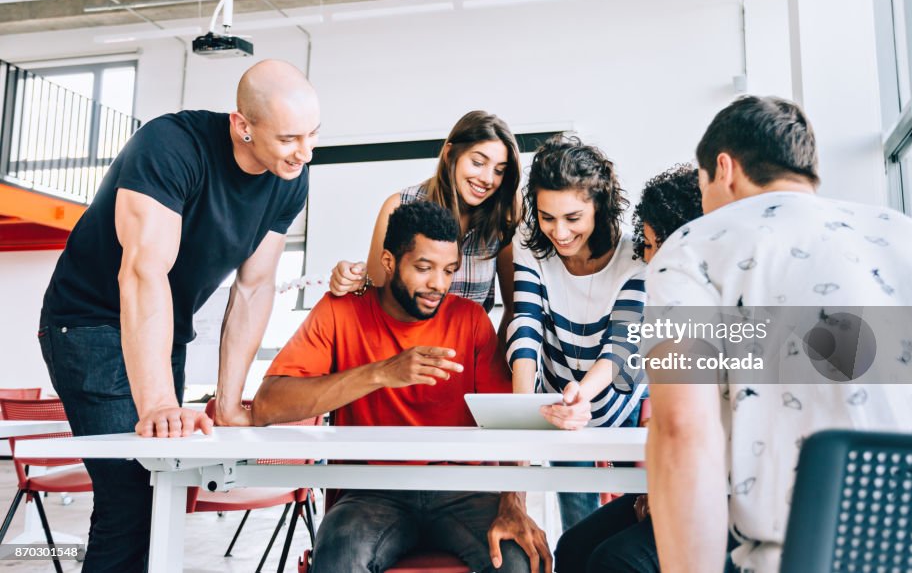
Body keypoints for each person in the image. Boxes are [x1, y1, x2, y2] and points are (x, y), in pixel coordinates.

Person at [644, 95, 912, 573]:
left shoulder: (689, 248)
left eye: (701, 187)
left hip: (827, 556)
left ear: (724, 169)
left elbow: (680, 428)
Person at [36, 59, 318, 572]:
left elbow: (254, 289)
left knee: (163, 491)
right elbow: (143, 272)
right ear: (243, 125)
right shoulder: (170, 146)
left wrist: (229, 402)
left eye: (313, 134)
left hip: (163, 334)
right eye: (289, 138)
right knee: (131, 496)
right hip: (88, 324)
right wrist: (160, 401)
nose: (305, 151)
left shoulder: (289, 179)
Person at [252, 200, 551, 573]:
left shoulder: (470, 319)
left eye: (449, 271)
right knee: (338, 560)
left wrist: (513, 502)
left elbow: (511, 425)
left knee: (521, 561)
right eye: (424, 268)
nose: (438, 284)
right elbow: (267, 405)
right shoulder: (340, 310)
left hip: (462, 487)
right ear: (390, 262)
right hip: (371, 491)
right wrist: (379, 373)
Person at [554, 164, 702, 573]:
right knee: (573, 546)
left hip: (719, 499)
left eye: (657, 245)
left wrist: (672, 492)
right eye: (648, 243)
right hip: (676, 486)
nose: (648, 256)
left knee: (612, 561)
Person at [506, 134, 646, 531]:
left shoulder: (635, 256)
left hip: (619, 400)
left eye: (572, 219)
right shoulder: (529, 244)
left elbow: (620, 349)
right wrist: (522, 411)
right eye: (547, 217)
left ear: (599, 207)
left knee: (634, 520)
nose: (559, 232)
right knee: (577, 526)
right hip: (560, 403)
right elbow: (527, 326)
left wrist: (582, 394)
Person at [329, 111, 521, 338]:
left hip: (468, 358)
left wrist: (494, 367)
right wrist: (351, 278)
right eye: (478, 162)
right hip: (404, 353)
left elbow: (513, 310)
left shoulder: (502, 220)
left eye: (499, 170)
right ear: (450, 154)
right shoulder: (399, 206)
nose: (488, 179)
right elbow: (373, 295)